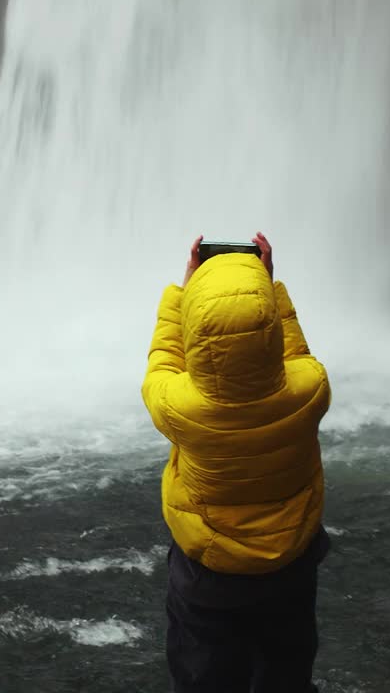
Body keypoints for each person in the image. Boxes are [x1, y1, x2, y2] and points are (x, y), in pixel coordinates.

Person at [141, 231, 332, 693]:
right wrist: (270, 286)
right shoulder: (309, 389)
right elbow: (293, 350)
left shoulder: (179, 406)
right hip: (290, 565)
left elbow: (163, 362)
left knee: (204, 676)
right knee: (285, 672)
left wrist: (184, 292)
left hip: (209, 577)